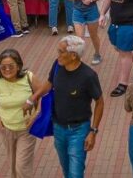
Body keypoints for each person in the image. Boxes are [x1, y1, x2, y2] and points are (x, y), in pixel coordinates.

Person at [26, 36, 104, 178]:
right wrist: (33, 98)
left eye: (61, 51)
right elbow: (49, 84)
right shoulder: (57, 65)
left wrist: (93, 131)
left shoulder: (88, 76)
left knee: (75, 173)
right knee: (66, 169)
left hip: (79, 130)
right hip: (58, 128)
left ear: (73, 55)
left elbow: (100, 102)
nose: (58, 55)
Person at [0, 49, 41, 178]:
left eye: (11, 66)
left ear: (18, 66)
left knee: (22, 166)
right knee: (12, 166)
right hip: (7, 129)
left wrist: (35, 115)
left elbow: (42, 96)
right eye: (3, 67)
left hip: (27, 129)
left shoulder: (29, 77)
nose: (7, 70)